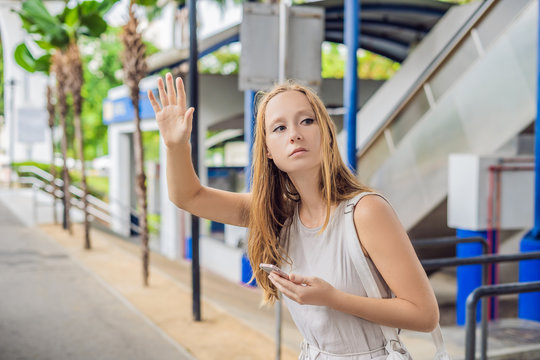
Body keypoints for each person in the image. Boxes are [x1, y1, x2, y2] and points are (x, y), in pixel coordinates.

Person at [148, 73, 440, 359]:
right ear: (268, 151)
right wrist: (176, 146)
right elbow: (189, 197)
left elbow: (424, 314)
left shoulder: (366, 211)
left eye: (307, 121)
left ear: (325, 133)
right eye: (279, 128)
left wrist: (332, 299)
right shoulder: (277, 213)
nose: (295, 134)